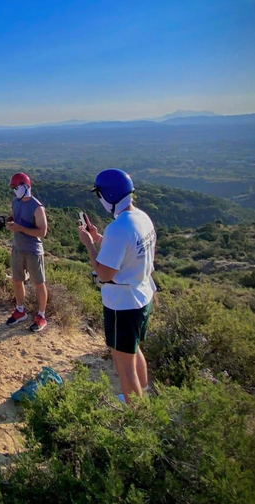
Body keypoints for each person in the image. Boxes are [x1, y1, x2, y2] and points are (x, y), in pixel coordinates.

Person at [77, 169, 156, 405]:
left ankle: (135, 412)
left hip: (122, 304)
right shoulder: (141, 218)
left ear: (108, 195)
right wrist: (99, 238)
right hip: (143, 295)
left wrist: (89, 245)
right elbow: (128, 250)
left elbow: (104, 272)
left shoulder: (118, 228)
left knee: (123, 364)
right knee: (134, 349)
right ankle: (144, 396)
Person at [5, 172, 49, 332]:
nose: (14, 190)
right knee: (17, 280)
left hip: (33, 251)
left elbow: (42, 232)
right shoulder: (15, 202)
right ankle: (20, 310)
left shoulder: (37, 207)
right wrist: (7, 221)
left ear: (25, 186)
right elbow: (14, 217)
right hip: (17, 248)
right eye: (13, 188)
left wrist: (20, 228)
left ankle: (41, 316)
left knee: (39, 284)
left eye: (16, 187)